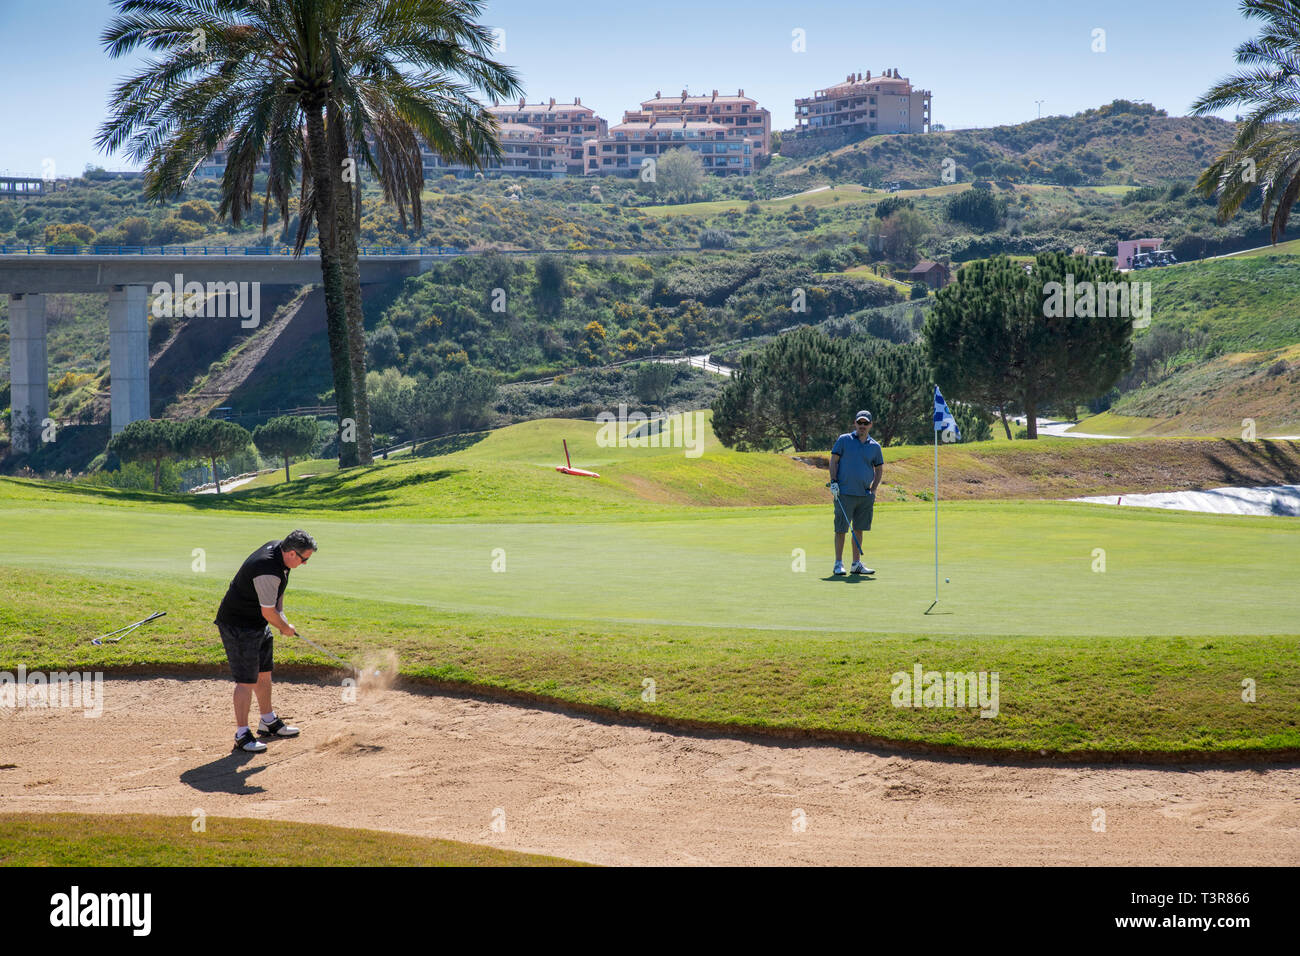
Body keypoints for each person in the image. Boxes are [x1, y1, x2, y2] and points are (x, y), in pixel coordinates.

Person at [214, 530, 316, 752]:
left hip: (257, 623)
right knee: (246, 682)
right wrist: (284, 627)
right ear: (291, 553)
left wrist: (282, 615)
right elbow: (268, 611)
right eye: (304, 559)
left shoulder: (280, 553)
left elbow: (277, 593)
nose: (306, 563)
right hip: (238, 625)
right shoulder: (267, 569)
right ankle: (242, 734)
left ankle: (268, 721)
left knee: (264, 673)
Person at [828, 411, 884, 576]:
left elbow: (879, 469)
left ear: (870, 425)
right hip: (844, 493)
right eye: (859, 423)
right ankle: (838, 563)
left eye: (865, 423)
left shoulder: (875, 446)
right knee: (841, 529)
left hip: (864, 495)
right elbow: (834, 460)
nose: (862, 426)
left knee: (859, 529)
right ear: (855, 423)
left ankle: (856, 564)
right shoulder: (844, 440)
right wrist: (833, 482)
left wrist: (873, 490)